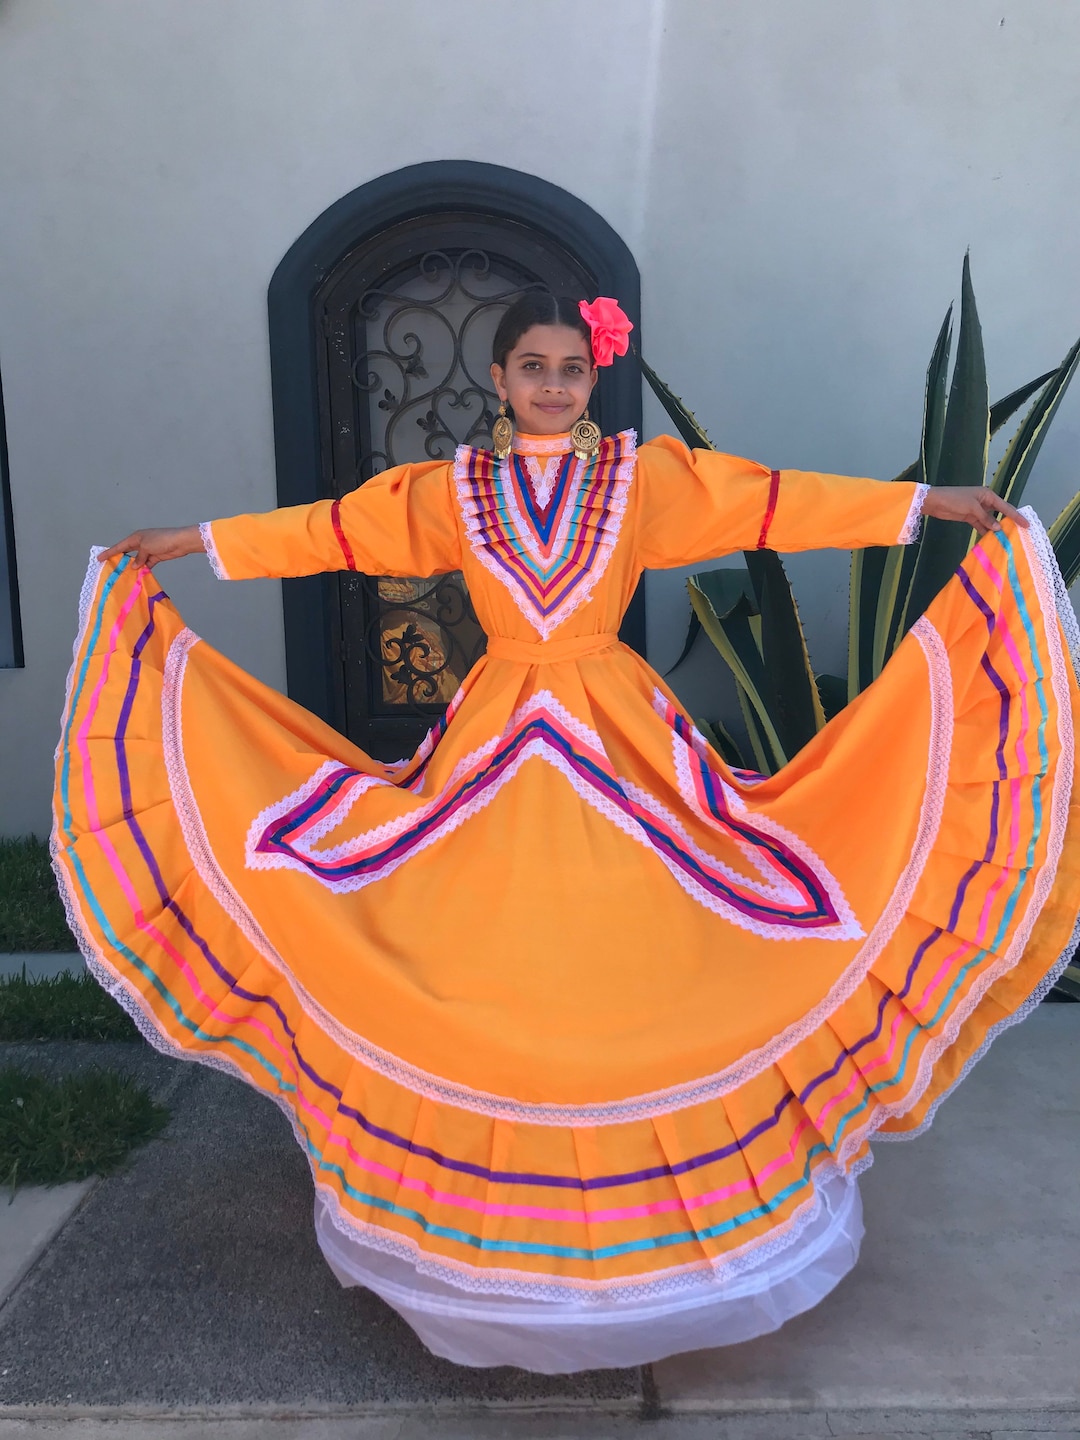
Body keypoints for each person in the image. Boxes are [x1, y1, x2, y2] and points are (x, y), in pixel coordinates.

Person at [55, 292, 1079, 1373]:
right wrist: (189, 543)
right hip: (495, 740)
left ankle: (666, 1243)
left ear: (595, 382)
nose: (552, 384)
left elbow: (778, 505)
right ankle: (501, 1238)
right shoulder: (453, 491)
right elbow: (332, 531)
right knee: (484, 960)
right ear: (497, 382)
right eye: (532, 365)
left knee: (661, 952)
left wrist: (928, 507)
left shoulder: (645, 483)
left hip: (619, 738)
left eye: (572, 368)